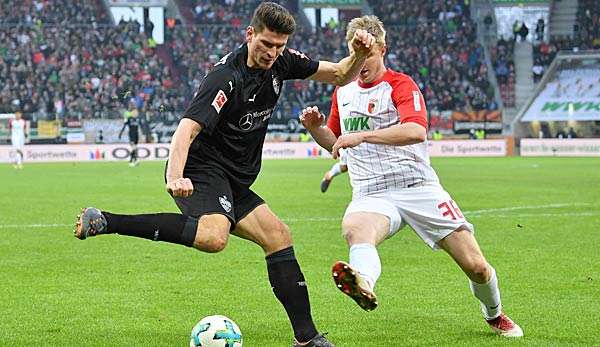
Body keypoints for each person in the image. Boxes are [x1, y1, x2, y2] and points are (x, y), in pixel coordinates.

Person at [74, 3, 376, 347]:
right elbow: (185, 130)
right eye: (265, 44)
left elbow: (339, 74)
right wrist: (175, 175)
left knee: (278, 235)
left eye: (278, 46)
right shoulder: (226, 77)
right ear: (250, 34)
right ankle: (107, 221)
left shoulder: (283, 60)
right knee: (214, 237)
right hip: (199, 168)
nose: (272, 53)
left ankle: (307, 340)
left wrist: (359, 54)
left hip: (232, 178)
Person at [299, 15, 523, 338]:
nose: (361, 62)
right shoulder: (342, 92)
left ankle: (495, 313)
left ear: (383, 49)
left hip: (418, 187)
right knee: (355, 228)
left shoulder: (401, 85)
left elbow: (416, 130)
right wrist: (316, 128)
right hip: (371, 192)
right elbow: (335, 144)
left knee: (476, 266)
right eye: (355, 54)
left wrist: (363, 136)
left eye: (368, 53)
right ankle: (362, 282)